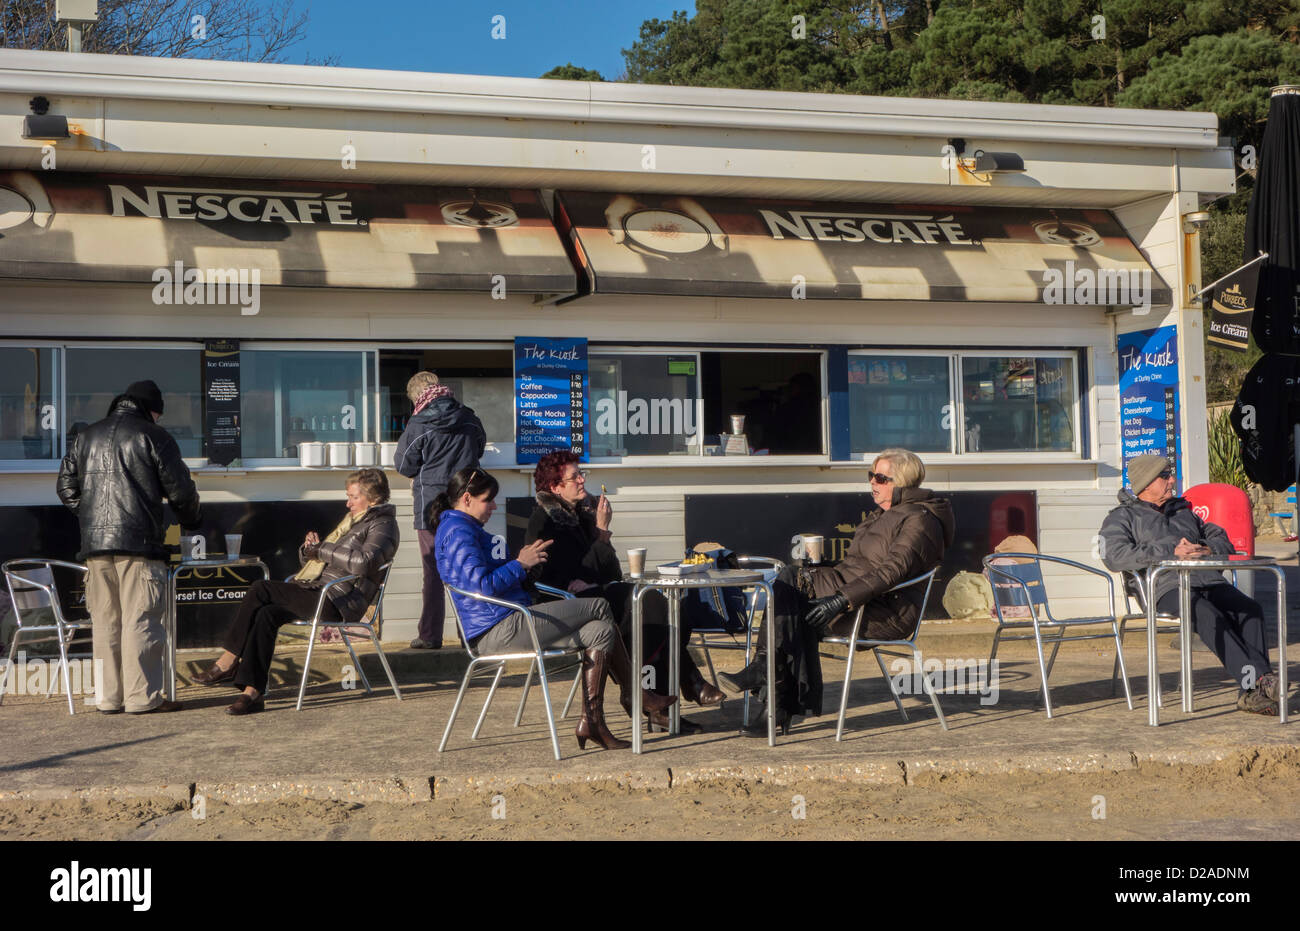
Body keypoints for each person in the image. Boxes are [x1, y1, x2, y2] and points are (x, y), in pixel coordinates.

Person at [435, 467, 674, 751]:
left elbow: (491, 578)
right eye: (488, 500)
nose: (495, 506)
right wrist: (519, 564)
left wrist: (526, 568)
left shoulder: (466, 528)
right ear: (466, 499)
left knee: (601, 630)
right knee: (599, 605)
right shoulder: (458, 532)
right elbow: (481, 587)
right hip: (497, 629)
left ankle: (593, 721)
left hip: (508, 619)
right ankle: (635, 694)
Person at [718, 448, 954, 734]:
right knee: (790, 598)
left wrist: (840, 600)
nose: (872, 483)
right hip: (861, 600)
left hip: (887, 612)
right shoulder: (881, 515)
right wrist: (822, 567)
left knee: (788, 593)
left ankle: (767, 682)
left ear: (901, 482)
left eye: (880, 477)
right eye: (871, 476)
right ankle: (772, 699)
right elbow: (858, 568)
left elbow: (892, 572)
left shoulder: (920, 519)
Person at [524, 451, 725, 733]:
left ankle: (665, 700)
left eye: (582, 474)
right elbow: (570, 574)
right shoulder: (544, 520)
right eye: (574, 477)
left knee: (661, 605)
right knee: (647, 604)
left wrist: (598, 533)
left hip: (595, 594)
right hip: (565, 606)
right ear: (555, 487)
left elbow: (608, 573)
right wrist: (602, 530)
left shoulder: (581, 514)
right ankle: (682, 685)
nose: (582, 480)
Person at [192, 468, 398, 715]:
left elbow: (364, 562)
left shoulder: (383, 525)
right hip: (319, 590)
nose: (347, 502)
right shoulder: (353, 523)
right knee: (266, 613)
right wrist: (310, 550)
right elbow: (325, 562)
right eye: (348, 496)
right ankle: (252, 693)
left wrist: (322, 549)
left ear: (373, 498)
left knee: (260, 588)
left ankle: (227, 662)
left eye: (353, 497)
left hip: (338, 601)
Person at [56, 379, 202, 714]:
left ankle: (109, 698)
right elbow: (181, 491)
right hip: (140, 547)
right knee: (141, 620)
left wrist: (92, 516)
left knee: (106, 622)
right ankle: (142, 698)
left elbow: (66, 487)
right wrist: (193, 520)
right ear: (152, 410)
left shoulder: (86, 436)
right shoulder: (153, 436)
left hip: (95, 547)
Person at [1098, 453, 1283, 714]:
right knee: (1205, 613)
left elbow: (1221, 539)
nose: (1172, 480)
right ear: (1147, 483)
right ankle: (1258, 681)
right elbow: (1114, 556)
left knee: (1249, 609)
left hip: (1206, 579)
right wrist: (1171, 551)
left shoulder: (1183, 511)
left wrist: (1206, 548)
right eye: (1165, 476)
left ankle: (1252, 693)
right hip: (1165, 587)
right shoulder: (1122, 518)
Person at [395, 372, 486, 650]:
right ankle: (472, 635)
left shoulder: (419, 422)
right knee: (467, 568)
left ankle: (430, 635)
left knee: (433, 571)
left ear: (417, 397)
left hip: (430, 505)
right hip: (466, 502)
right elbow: (479, 449)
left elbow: (403, 465)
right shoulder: (469, 417)